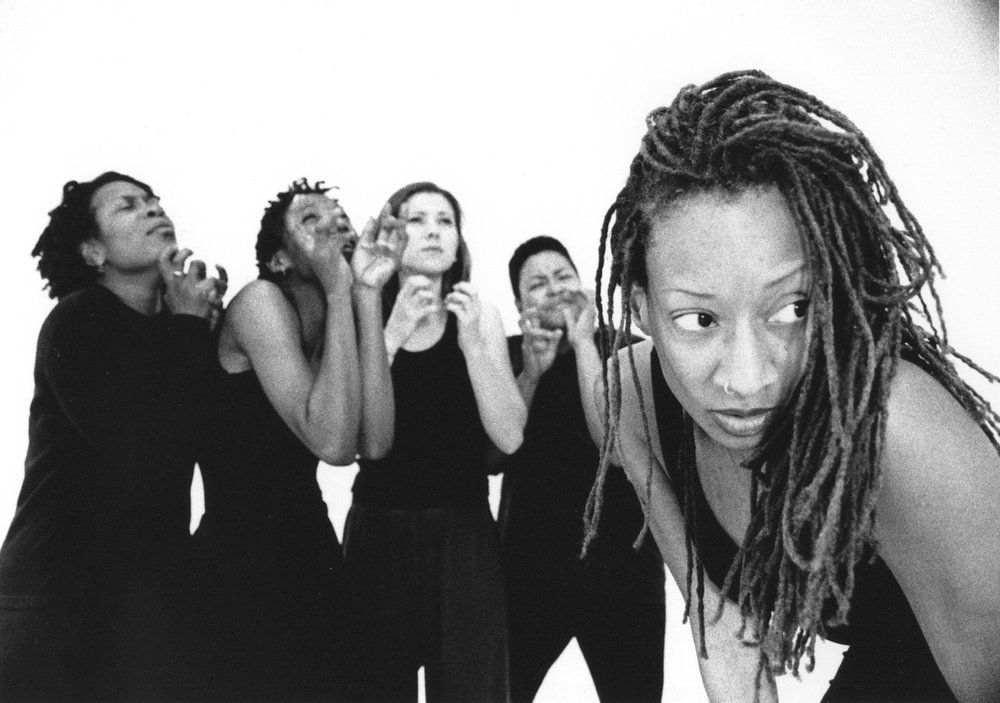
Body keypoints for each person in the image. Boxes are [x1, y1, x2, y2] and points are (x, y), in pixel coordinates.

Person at [583, 70, 1000, 703]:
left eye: (793, 309)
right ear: (640, 309)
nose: (748, 380)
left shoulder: (902, 438)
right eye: (698, 320)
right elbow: (723, 630)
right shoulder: (628, 402)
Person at [0, 172, 226, 702]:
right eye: (129, 206)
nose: (152, 210)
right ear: (93, 251)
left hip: (131, 603)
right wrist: (192, 324)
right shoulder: (78, 321)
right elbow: (147, 447)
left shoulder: (173, 325)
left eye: (154, 201)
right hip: (54, 604)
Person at [194, 178, 403, 701]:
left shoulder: (340, 314)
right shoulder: (261, 300)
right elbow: (331, 443)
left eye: (340, 216)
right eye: (311, 220)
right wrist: (339, 291)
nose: (335, 223)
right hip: (239, 566)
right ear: (280, 260)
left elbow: (373, 444)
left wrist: (367, 294)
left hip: (307, 550)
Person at [343, 181, 526, 702]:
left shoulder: (480, 315)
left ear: (459, 241)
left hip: (464, 533)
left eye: (445, 220)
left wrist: (472, 348)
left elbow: (510, 438)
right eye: (417, 219)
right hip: (378, 529)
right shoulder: (366, 313)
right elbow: (353, 438)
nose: (433, 230)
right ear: (392, 237)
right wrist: (391, 336)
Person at [499, 235, 665, 703]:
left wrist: (584, 341)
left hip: (625, 575)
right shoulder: (508, 356)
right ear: (519, 304)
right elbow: (496, 455)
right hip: (528, 573)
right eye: (537, 284)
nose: (554, 288)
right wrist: (531, 372)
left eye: (562, 276)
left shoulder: (631, 350)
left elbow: (617, 441)